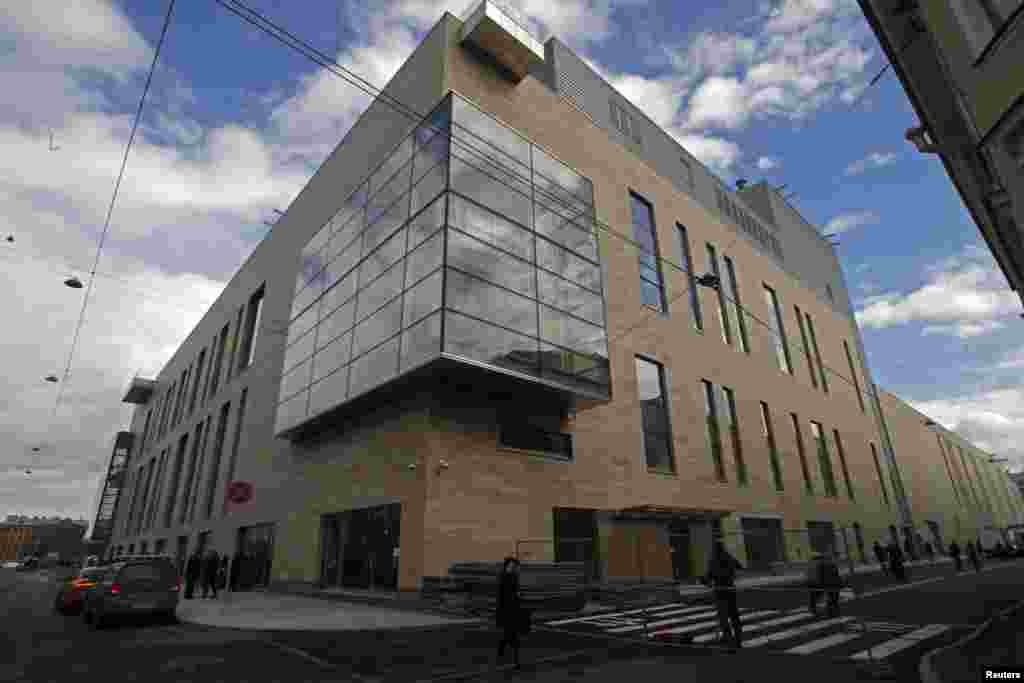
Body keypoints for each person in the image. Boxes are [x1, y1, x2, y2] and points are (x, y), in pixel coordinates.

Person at [703, 542, 744, 649]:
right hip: (730, 590)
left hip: (720, 591)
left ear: (715, 550)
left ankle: (729, 642)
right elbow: (740, 566)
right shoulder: (729, 557)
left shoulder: (713, 561)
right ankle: (738, 640)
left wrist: (704, 581)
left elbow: (708, 578)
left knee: (723, 619)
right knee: (734, 616)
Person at [495, 557, 523, 670]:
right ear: (506, 566)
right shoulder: (502, 577)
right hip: (505, 609)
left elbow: (516, 591)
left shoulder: (515, 576)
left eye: (514, 566)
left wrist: (518, 595)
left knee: (513, 634)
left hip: (514, 608)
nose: (513, 567)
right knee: (510, 634)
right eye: (511, 565)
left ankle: (515, 660)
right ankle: (505, 652)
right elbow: (501, 595)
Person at [807, 552, 843, 618]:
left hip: (815, 583)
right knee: (833, 599)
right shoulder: (827, 564)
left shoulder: (811, 564)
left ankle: (815, 609)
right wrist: (839, 583)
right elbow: (834, 575)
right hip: (829, 584)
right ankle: (831, 612)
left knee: (816, 597)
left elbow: (811, 575)